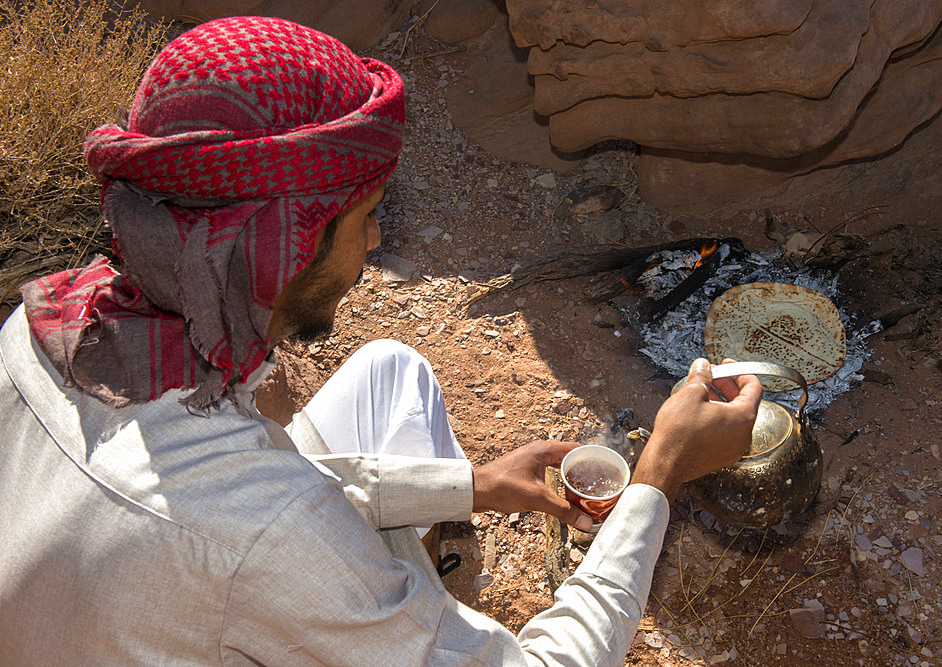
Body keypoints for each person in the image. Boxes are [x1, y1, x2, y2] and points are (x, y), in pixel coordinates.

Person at [0, 16, 763, 666]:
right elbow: (265, 523)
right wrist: (660, 476)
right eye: (365, 214)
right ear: (286, 243)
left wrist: (473, 485)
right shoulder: (265, 531)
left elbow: (258, 489)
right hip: (225, 576)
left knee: (391, 374)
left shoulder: (45, 329)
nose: (374, 241)